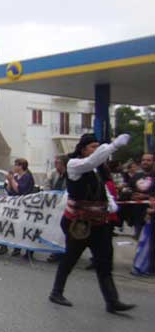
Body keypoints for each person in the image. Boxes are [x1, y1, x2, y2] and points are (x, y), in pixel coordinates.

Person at [49, 133, 136, 313]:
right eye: (92, 147)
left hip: (99, 223)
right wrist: (112, 146)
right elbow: (91, 161)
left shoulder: (98, 170)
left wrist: (111, 205)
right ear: (82, 149)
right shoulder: (75, 165)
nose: (96, 150)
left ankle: (112, 301)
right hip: (79, 224)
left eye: (98, 146)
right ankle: (56, 292)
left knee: (104, 261)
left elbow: (104, 190)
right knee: (70, 258)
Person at [1, 158, 35, 257]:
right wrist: (9, 181)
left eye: (16, 165)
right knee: (15, 227)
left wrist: (11, 180)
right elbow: (10, 190)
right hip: (15, 205)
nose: (14, 167)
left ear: (21, 166)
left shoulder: (27, 177)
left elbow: (19, 190)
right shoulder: (16, 176)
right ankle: (17, 248)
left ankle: (28, 250)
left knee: (24, 227)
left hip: (24, 206)